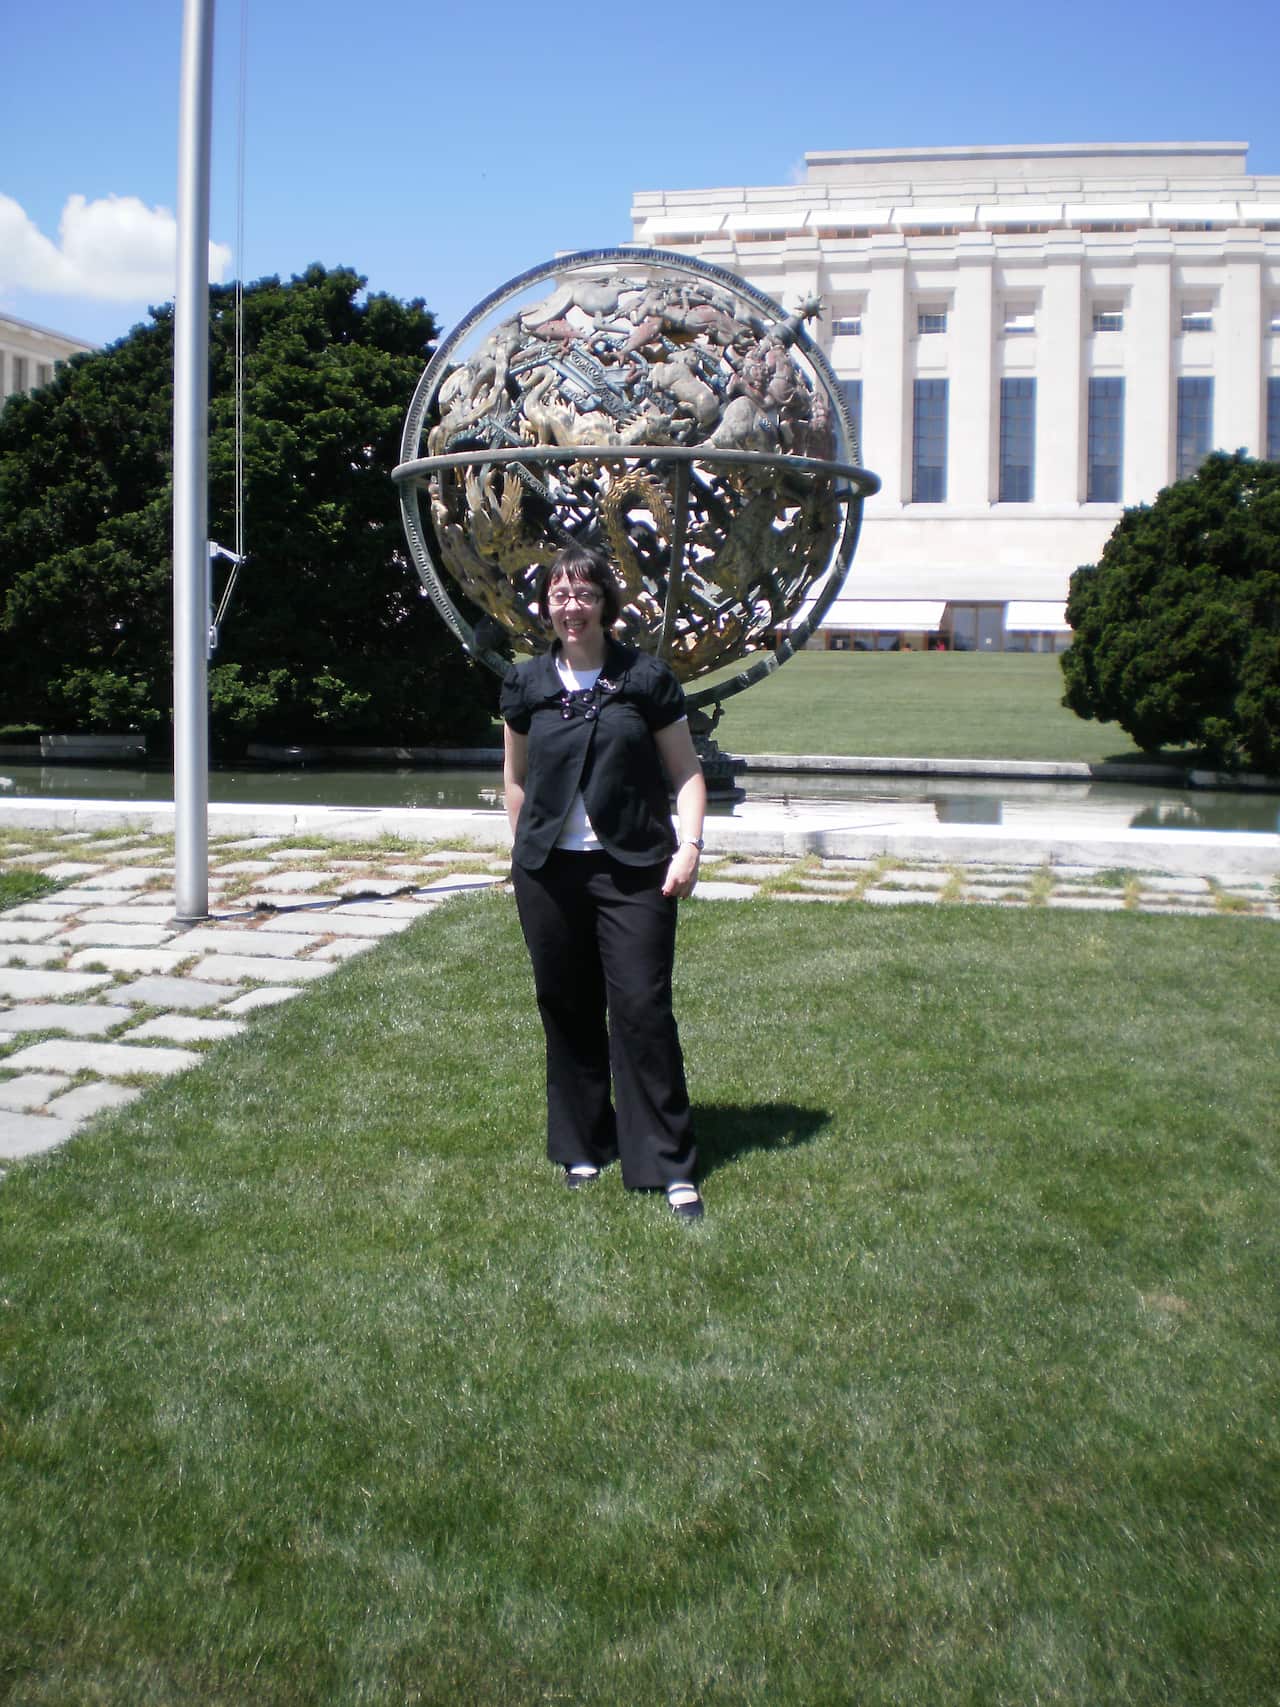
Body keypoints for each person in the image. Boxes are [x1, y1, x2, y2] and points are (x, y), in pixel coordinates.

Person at [500, 542, 708, 1220]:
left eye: (584, 593)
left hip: (635, 871)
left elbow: (687, 774)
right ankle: (584, 1144)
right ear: (548, 608)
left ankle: (668, 1163)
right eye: (560, 594)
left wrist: (691, 847)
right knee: (567, 1008)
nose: (571, 605)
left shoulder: (644, 680)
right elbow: (514, 779)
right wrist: (527, 846)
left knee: (643, 1011)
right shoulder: (528, 684)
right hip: (550, 875)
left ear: (605, 605)